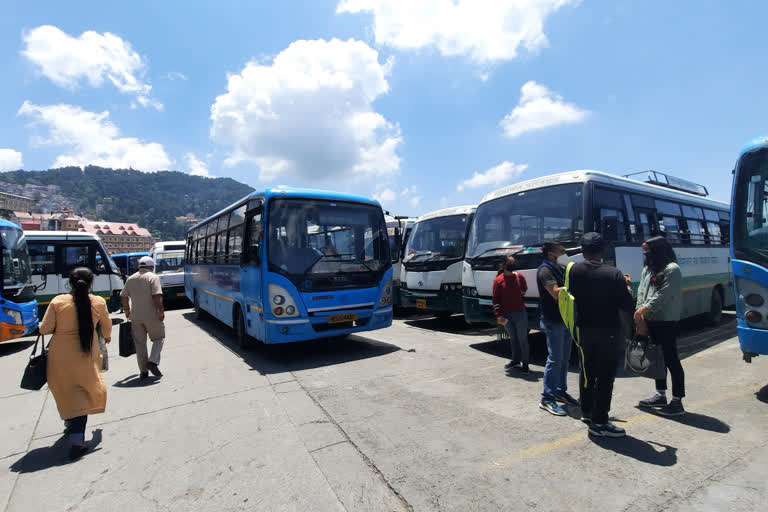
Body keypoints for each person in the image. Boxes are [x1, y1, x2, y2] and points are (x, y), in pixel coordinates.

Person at [39, 267, 112, 459]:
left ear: (70, 282)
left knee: (66, 390)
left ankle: (72, 428)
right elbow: (107, 325)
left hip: (60, 355)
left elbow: (45, 329)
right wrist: (107, 336)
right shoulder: (98, 302)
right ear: (91, 283)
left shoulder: (58, 301)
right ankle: (76, 437)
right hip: (88, 352)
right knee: (84, 391)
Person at [568, 233, 635, 437]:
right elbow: (626, 304)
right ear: (601, 250)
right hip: (607, 331)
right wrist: (628, 286)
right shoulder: (613, 273)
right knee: (605, 376)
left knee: (587, 371)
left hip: (583, 330)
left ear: (583, 251)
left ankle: (587, 412)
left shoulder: (574, 271)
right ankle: (600, 422)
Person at [635, 236, 685, 416]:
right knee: (657, 358)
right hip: (650, 319)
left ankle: (677, 401)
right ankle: (660, 394)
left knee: (671, 358)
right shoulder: (648, 269)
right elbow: (641, 291)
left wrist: (645, 308)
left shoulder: (672, 269)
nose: (646, 255)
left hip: (666, 320)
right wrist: (639, 312)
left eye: (649, 252)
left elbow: (665, 294)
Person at [537, 241, 578, 415]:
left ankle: (560, 391)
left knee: (564, 359)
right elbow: (555, 292)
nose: (564, 253)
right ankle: (547, 398)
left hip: (565, 319)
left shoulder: (560, 268)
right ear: (551, 253)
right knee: (555, 359)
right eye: (562, 251)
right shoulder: (545, 270)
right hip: (553, 321)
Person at [121, 256, 165, 379]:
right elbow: (157, 296)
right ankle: (153, 361)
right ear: (152, 266)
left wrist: (127, 310)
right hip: (152, 315)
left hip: (135, 316)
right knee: (159, 338)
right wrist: (161, 311)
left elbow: (124, 296)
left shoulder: (130, 278)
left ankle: (143, 371)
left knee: (140, 344)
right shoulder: (153, 277)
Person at [493, 256, 530, 375]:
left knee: (522, 339)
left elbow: (524, 288)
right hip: (505, 315)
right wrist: (498, 315)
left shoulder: (520, 277)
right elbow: (495, 299)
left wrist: (516, 297)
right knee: (513, 338)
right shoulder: (498, 280)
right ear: (504, 265)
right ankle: (515, 360)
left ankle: (525, 364)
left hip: (520, 313)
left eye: (513, 263)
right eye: (510, 263)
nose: (513, 265)